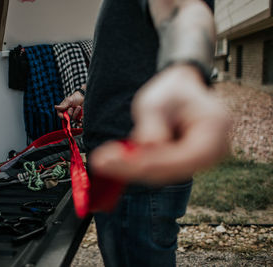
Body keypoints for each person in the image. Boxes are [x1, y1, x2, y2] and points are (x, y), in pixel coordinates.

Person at [55, 0, 230, 266]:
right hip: (125, 171)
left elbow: (185, 10)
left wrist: (186, 69)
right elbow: (127, 56)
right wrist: (87, 93)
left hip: (137, 174)